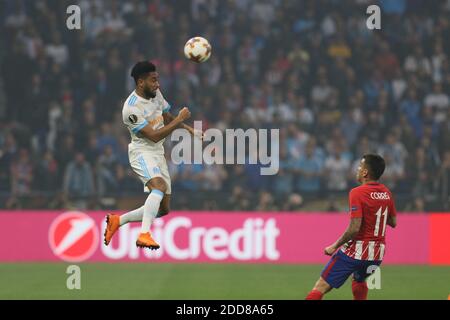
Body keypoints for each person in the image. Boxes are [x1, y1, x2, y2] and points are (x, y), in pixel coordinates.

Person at [103, 61, 201, 250]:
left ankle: (117, 221)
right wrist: (181, 118)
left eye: (157, 79)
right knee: (159, 186)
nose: (158, 84)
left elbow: (166, 117)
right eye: (153, 80)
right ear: (140, 82)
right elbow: (154, 135)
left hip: (157, 153)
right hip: (142, 152)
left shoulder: (156, 94)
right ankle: (144, 234)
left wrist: (188, 128)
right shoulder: (131, 109)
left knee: (163, 209)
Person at [305, 154, 397, 300]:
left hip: (357, 251)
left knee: (320, 287)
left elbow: (354, 228)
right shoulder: (386, 193)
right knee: (358, 280)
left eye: (360, 166)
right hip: (377, 254)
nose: (357, 169)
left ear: (365, 172)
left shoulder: (357, 192)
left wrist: (334, 246)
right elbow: (393, 222)